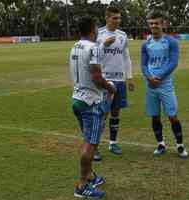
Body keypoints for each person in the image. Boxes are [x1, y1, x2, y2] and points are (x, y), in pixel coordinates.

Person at [69, 16, 116, 198]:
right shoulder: (94, 47)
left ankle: (90, 176)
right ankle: (81, 185)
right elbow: (97, 77)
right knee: (91, 144)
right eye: (96, 28)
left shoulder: (75, 46)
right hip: (90, 102)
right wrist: (110, 87)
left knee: (88, 139)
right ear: (92, 30)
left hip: (77, 100)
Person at [140, 12, 188, 159]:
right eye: (151, 23)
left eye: (157, 23)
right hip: (151, 85)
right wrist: (149, 78)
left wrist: (158, 77)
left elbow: (173, 63)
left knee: (172, 116)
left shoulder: (171, 42)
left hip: (165, 85)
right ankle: (160, 144)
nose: (154, 26)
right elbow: (143, 64)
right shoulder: (146, 44)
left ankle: (180, 146)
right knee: (155, 116)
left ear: (163, 24)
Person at [94, 6, 134, 159]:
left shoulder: (122, 35)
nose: (118, 21)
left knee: (116, 112)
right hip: (104, 80)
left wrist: (129, 77)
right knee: (102, 113)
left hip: (119, 80)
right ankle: (95, 146)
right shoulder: (99, 34)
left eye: (119, 18)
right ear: (107, 18)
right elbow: (93, 55)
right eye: (114, 18)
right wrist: (104, 45)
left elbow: (126, 57)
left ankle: (113, 142)